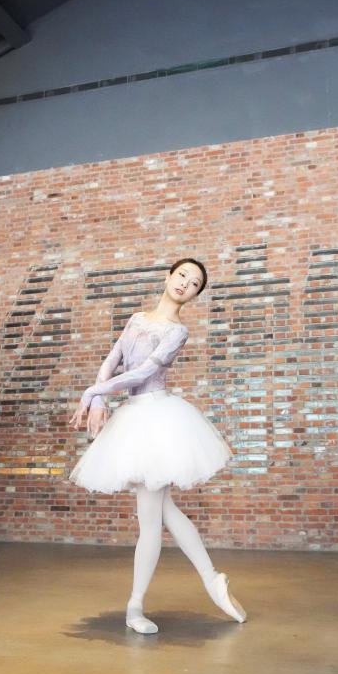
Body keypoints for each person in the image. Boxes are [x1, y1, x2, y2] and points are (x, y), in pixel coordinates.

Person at [69, 258, 246, 635]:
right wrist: (97, 397)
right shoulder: (136, 319)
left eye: (194, 283)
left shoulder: (178, 331)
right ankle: (212, 580)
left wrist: (93, 392)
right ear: (168, 276)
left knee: (150, 520)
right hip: (134, 417)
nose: (185, 284)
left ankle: (135, 607)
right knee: (163, 510)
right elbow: (113, 360)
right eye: (182, 275)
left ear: (195, 295)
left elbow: (145, 372)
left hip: (158, 417)